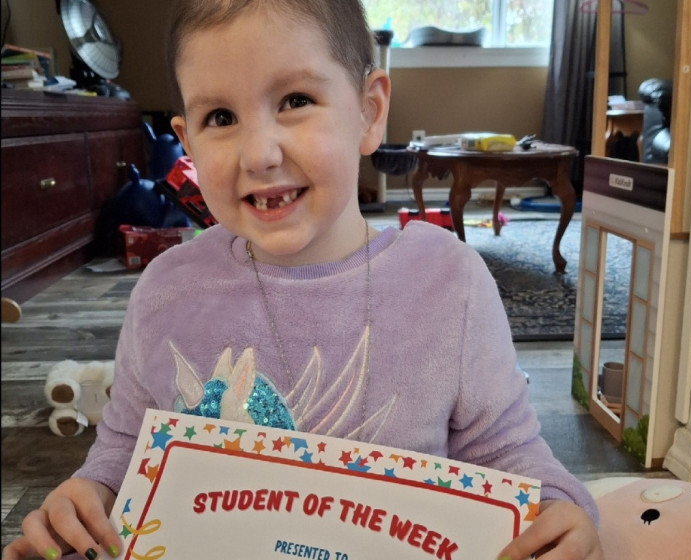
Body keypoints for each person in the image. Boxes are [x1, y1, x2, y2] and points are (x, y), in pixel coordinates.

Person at [3, 1, 603, 559]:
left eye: (294, 100)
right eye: (220, 117)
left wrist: (558, 510)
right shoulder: (165, 292)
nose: (259, 154)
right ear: (187, 144)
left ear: (368, 113)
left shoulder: (451, 283)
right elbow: (123, 451)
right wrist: (88, 498)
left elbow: (507, 452)